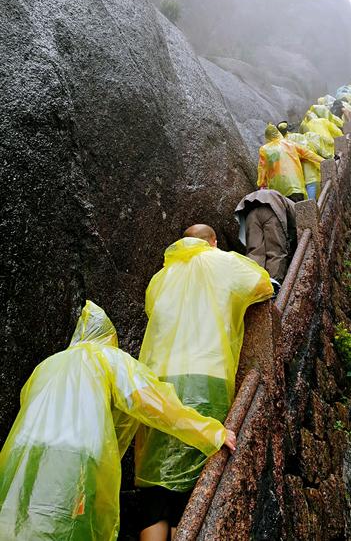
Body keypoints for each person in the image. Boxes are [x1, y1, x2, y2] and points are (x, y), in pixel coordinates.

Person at [0, 301, 234, 541]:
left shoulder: (46, 366)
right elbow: (157, 404)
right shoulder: (108, 359)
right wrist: (211, 432)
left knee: (22, 525)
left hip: (20, 455)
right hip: (77, 457)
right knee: (69, 527)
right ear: (108, 338)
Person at [136, 225, 273, 541]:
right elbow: (262, 284)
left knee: (156, 489)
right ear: (212, 242)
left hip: (155, 382)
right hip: (205, 378)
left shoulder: (160, 278)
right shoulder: (221, 261)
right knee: (194, 487)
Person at [234, 189, 297, 288]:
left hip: (251, 213)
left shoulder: (281, 198)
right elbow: (294, 229)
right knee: (276, 252)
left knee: (254, 252)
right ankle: (274, 284)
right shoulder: (295, 207)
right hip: (272, 210)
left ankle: (256, 284)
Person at [257, 124, 322, 202]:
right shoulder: (290, 144)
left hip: (278, 190)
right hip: (296, 185)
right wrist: (323, 160)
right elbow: (308, 153)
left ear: (267, 137)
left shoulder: (264, 149)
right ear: (278, 133)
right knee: (300, 208)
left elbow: (262, 169)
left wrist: (261, 184)